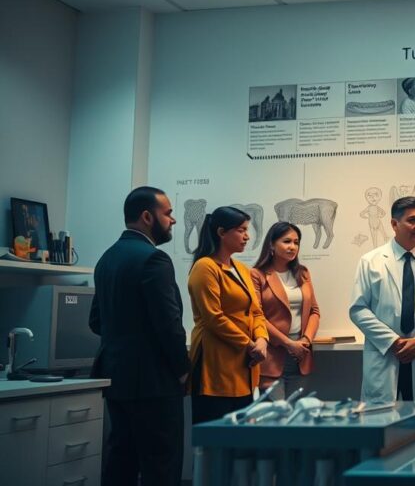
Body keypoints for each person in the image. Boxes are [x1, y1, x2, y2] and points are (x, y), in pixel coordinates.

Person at [90, 186, 189, 486]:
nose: (173, 220)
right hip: (155, 383)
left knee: (121, 463)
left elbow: (96, 321)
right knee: (162, 467)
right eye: (168, 213)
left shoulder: (106, 258)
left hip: (115, 379)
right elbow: (169, 324)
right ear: (148, 216)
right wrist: (183, 369)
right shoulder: (154, 259)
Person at [350, 196, 415, 402]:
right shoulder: (370, 262)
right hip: (386, 353)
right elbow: (358, 309)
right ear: (394, 224)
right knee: (382, 422)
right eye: (412, 220)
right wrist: (392, 342)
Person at [187, 206, 269, 424]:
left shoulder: (242, 269)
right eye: (241, 230)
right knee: (215, 437)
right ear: (222, 232)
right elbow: (214, 317)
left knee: (241, 438)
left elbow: (256, 312)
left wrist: (262, 340)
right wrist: (250, 345)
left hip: (245, 365)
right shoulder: (205, 267)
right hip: (216, 365)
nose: (247, 236)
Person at [251, 222, 321, 401]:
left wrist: (305, 340)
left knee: (297, 418)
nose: (293, 247)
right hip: (272, 357)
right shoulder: (257, 274)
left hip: (300, 356)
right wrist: (288, 343)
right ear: (272, 245)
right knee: (274, 419)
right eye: (287, 241)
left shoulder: (303, 272)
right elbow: (257, 316)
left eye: (296, 242)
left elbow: (314, 311)